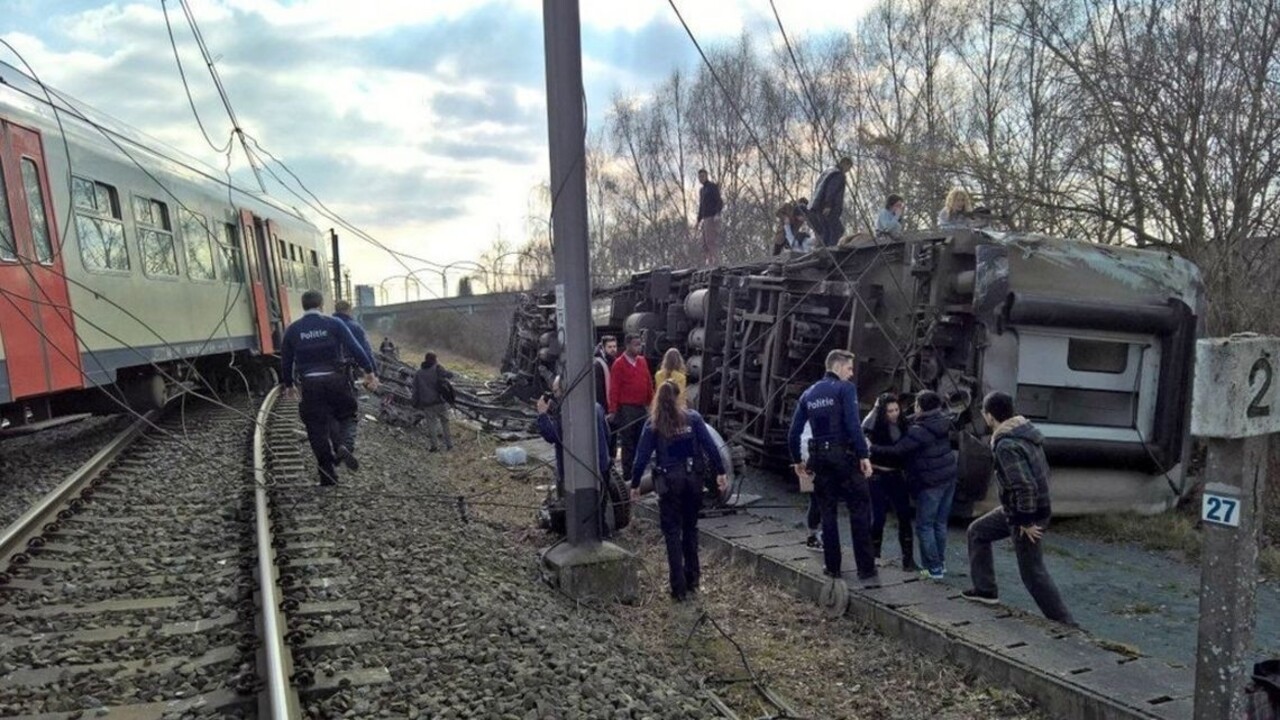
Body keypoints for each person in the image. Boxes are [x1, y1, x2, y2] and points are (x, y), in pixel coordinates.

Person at [961, 392, 1076, 625]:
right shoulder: (1025, 433)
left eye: (984, 412)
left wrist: (1025, 521)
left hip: (1026, 515)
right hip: (1021, 510)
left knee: (1033, 573)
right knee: (977, 532)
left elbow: (1024, 486)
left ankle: (1066, 624)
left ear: (990, 416)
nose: (983, 416)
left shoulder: (1006, 445)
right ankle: (985, 591)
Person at [630, 380, 728, 601]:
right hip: (693, 481)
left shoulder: (654, 424)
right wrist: (721, 473)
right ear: (678, 397)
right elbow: (711, 447)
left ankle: (678, 587)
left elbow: (641, 459)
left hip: (669, 484)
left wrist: (635, 485)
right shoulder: (693, 418)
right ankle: (693, 579)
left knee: (672, 533)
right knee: (690, 529)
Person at [787, 349, 876, 580]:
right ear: (837, 367)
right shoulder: (845, 389)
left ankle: (833, 567)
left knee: (828, 512)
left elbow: (793, 433)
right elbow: (853, 423)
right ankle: (865, 569)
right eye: (849, 368)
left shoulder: (808, 394)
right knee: (859, 510)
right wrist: (863, 455)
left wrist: (798, 460)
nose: (851, 373)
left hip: (820, 460)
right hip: (844, 458)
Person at [279, 290, 379, 486]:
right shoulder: (334, 324)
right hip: (335, 380)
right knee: (347, 415)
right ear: (321, 305)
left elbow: (286, 359)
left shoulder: (293, 329)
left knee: (316, 428)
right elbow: (356, 347)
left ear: (303, 306)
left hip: (309, 383)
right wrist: (369, 371)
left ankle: (327, 475)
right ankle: (344, 446)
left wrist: (289, 384)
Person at [871, 390, 956, 580]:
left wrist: (871, 448)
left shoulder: (918, 430)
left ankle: (932, 569)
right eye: (890, 411)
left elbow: (898, 450)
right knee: (939, 524)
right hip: (947, 477)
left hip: (931, 480)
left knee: (924, 526)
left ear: (920, 407)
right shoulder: (941, 420)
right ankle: (939, 565)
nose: (896, 414)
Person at [863, 393, 917, 571]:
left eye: (896, 410)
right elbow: (865, 438)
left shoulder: (903, 424)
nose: (894, 414)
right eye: (890, 411)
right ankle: (873, 554)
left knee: (904, 516)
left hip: (895, 475)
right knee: (878, 517)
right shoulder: (873, 426)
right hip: (877, 475)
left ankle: (908, 559)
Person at [536, 375, 612, 497]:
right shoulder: (596, 407)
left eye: (556, 391)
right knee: (600, 510)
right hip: (602, 469)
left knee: (578, 511)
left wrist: (542, 415)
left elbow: (552, 435)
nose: (555, 396)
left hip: (578, 475)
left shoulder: (569, 414)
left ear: (565, 389)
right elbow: (608, 435)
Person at [609, 333, 654, 484]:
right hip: (627, 408)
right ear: (627, 346)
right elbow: (614, 388)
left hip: (641, 407)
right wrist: (613, 410)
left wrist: (652, 403)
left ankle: (638, 472)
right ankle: (628, 474)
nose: (639, 348)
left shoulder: (642, 361)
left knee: (641, 440)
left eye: (640, 344)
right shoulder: (619, 364)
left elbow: (648, 382)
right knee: (628, 442)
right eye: (636, 345)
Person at [411, 352, 455, 452]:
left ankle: (434, 446)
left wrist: (415, 403)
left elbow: (415, 390)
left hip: (427, 403)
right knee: (445, 423)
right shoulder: (438, 369)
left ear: (425, 359)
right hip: (440, 401)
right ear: (435, 359)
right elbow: (449, 376)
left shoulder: (418, 373)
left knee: (431, 425)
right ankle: (449, 445)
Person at [808, 157, 853, 247]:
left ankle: (823, 249)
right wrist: (828, 205)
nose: (848, 170)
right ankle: (831, 250)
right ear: (845, 164)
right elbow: (832, 190)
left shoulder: (828, 172)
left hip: (818, 206)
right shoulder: (838, 174)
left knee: (826, 231)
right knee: (836, 230)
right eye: (849, 167)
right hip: (829, 207)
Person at [696, 169, 724, 266]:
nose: (701, 178)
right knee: (703, 243)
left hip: (712, 217)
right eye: (699, 177)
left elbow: (719, 201)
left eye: (703, 176)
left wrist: (717, 213)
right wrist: (698, 220)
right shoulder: (702, 190)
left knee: (710, 240)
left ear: (706, 176)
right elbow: (701, 206)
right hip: (704, 218)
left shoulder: (712, 187)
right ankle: (709, 261)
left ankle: (716, 261)